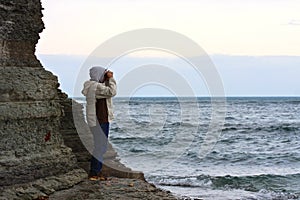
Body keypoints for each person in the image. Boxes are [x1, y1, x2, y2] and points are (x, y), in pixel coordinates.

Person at [81, 66, 117, 181]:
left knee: (100, 146)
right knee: (100, 147)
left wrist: (106, 79)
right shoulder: (96, 87)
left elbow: (106, 91)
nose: (105, 75)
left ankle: (96, 171)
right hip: (100, 121)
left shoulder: (92, 86)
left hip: (97, 120)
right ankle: (94, 172)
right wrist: (111, 79)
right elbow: (112, 91)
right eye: (103, 74)